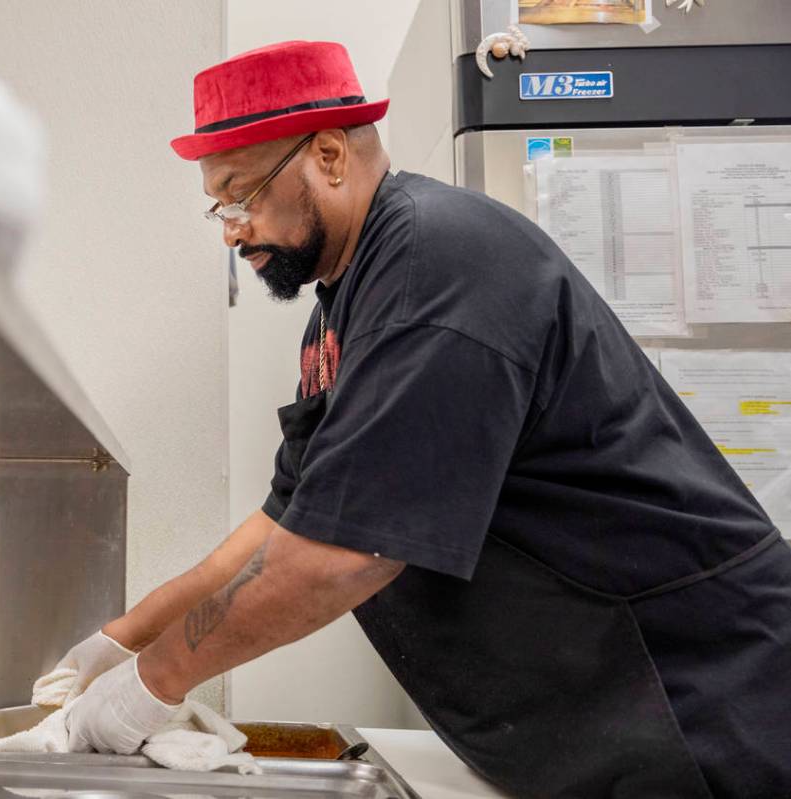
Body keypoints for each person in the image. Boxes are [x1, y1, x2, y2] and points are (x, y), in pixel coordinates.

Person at [49, 41, 791, 798]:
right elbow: (282, 527)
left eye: (240, 197)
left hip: (696, 704)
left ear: (329, 155)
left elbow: (342, 555)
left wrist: (153, 682)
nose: (231, 230)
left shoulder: (436, 262)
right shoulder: (344, 308)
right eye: (220, 206)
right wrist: (120, 640)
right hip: (593, 723)